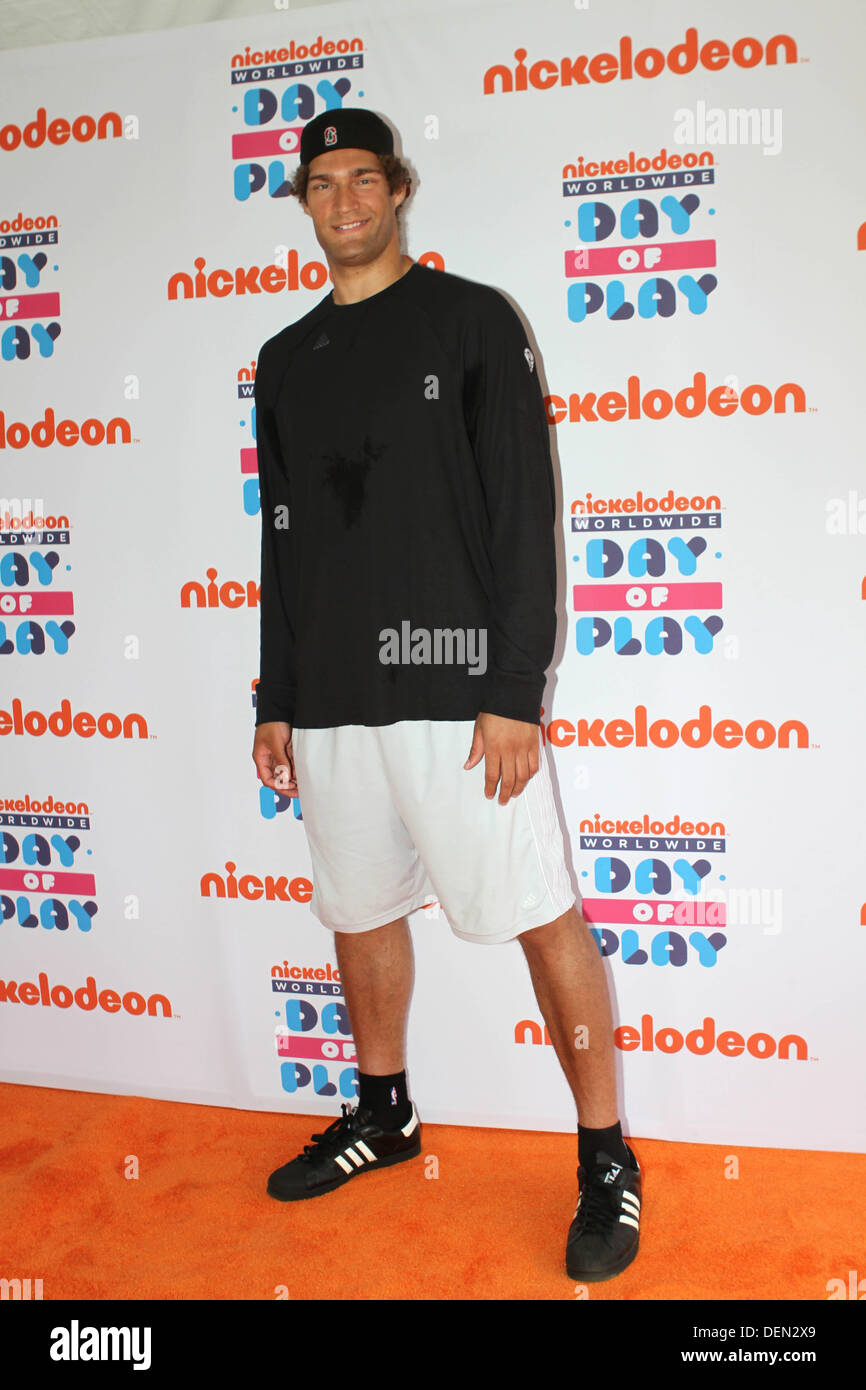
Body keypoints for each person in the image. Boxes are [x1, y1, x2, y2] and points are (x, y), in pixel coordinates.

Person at [251, 107, 641, 1284]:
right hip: (328, 699)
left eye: (361, 177)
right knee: (357, 913)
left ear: (399, 186)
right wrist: (277, 690)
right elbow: (281, 537)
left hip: (458, 693)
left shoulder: (472, 320)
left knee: (538, 914)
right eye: (320, 183)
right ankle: (384, 1112)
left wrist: (511, 689)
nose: (343, 201)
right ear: (305, 202)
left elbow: (526, 511)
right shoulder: (282, 358)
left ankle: (606, 1156)